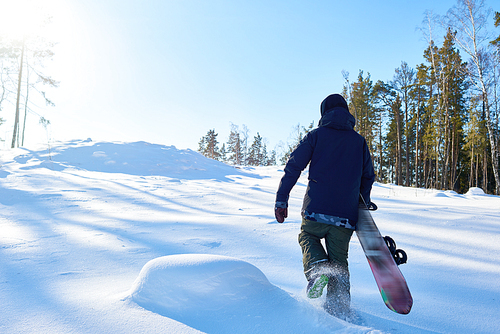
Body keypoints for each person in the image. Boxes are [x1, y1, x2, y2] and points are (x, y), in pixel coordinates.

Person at [274, 93, 375, 318]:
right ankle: (339, 310)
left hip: (315, 211)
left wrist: (282, 200)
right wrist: (363, 202)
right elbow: (368, 176)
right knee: (339, 263)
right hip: (345, 218)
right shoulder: (358, 141)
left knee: (307, 237)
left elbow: (293, 167)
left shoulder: (316, 136)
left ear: (324, 113)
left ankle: (318, 268)